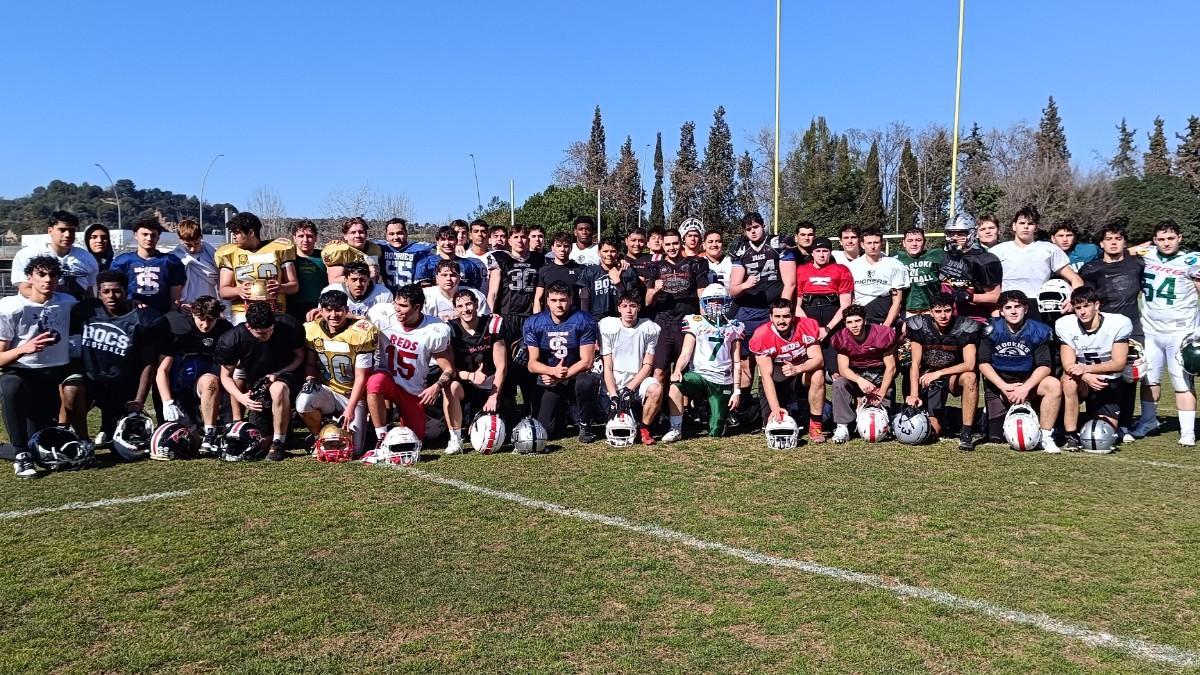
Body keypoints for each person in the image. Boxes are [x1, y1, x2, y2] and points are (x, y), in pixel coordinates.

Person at [61, 270, 165, 447]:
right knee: (71, 391)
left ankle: (108, 427)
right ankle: (79, 437)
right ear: (99, 292)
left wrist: (139, 400)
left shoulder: (141, 318)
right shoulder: (86, 311)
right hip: (90, 381)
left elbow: (148, 363)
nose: (112, 296)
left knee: (120, 439)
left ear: (125, 291)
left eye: (117, 291)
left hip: (121, 385)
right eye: (106, 291)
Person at [0, 256, 77, 478]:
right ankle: (21, 455)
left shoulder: (67, 302)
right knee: (9, 385)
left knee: (41, 446)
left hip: (53, 375)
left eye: (53, 275)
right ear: (29, 277)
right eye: (41, 274)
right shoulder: (11, 308)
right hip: (22, 373)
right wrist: (24, 349)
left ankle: (82, 439)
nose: (48, 280)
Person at [1129, 219, 1200, 444]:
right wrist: (1144, 246)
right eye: (1161, 239)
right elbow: (1122, 252)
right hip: (1150, 329)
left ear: (1180, 238)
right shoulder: (1147, 253)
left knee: (1182, 381)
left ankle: (1187, 431)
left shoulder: (1191, 260)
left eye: (1171, 238)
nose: (1166, 243)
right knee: (1149, 379)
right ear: (1154, 240)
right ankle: (1148, 420)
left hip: (1182, 331)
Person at [216, 301, 306, 461]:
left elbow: (300, 357)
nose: (267, 335)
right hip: (259, 387)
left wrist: (279, 373)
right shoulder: (233, 338)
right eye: (261, 333)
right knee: (258, 442)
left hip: (289, 377)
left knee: (277, 388)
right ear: (249, 327)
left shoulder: (288, 325)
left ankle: (279, 441)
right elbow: (226, 376)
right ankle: (281, 433)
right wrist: (241, 397)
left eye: (270, 330)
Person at [367, 285, 455, 446]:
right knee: (374, 382)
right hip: (388, 380)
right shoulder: (382, 315)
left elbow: (449, 369)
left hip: (412, 390)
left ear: (417, 307)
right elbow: (359, 322)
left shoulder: (434, 329)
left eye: (403, 306)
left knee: (416, 440)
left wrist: (436, 386)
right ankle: (381, 436)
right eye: (396, 303)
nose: (397, 309)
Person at [1078, 223, 1145, 435]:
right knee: (1102, 372)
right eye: (1109, 239)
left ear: (1125, 242)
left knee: (1129, 375)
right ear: (1101, 243)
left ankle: (1125, 422)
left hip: (1132, 328)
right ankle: (1096, 417)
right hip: (1103, 328)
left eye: (1118, 238)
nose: (1113, 242)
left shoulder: (1137, 264)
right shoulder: (1091, 268)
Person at [978, 290, 1060, 452]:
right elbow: (983, 363)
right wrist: (1003, 387)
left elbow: (1044, 366)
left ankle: (1045, 435)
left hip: (1028, 383)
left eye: (1018, 306)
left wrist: (1025, 388)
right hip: (999, 385)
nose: (1013, 311)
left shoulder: (1038, 331)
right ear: (1001, 311)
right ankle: (989, 413)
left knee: (1053, 385)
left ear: (1026, 309)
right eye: (1008, 307)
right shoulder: (991, 329)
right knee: (996, 437)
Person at [298, 289, 376, 456]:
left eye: (339, 309)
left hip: (353, 394)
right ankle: (319, 435)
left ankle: (361, 425)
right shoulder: (312, 330)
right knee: (303, 401)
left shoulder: (361, 333)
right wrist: (310, 379)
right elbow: (310, 364)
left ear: (347, 310)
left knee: (353, 451)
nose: (334, 314)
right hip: (329, 390)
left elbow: (362, 377)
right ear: (321, 311)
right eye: (328, 310)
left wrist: (350, 408)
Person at [730, 211, 797, 400]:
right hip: (749, 310)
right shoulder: (741, 249)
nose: (753, 232)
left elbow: (789, 283)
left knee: (778, 358)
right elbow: (733, 290)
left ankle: (781, 400)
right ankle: (744, 404)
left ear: (763, 226)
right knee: (744, 360)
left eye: (756, 227)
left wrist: (782, 311)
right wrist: (745, 285)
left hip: (772, 309)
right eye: (748, 229)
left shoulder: (778, 244)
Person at [665, 284, 744, 441]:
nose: (715, 304)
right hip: (700, 375)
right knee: (675, 386)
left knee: (716, 432)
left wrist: (737, 391)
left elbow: (736, 362)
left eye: (719, 301)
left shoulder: (734, 326)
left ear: (726, 303)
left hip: (722, 380)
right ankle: (675, 428)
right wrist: (678, 370)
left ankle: (716, 413)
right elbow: (686, 353)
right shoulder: (696, 321)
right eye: (712, 301)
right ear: (704, 303)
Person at [1057, 286, 1131, 451]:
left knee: (1102, 434)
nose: (1082, 312)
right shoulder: (1066, 324)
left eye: (1086, 306)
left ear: (1096, 305)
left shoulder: (1118, 323)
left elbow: (1119, 363)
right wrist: (1085, 376)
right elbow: (1068, 364)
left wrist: (1087, 370)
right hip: (1082, 381)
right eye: (1077, 308)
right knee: (1068, 381)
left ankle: (1089, 420)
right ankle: (1071, 435)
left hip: (1108, 381)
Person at [523, 281, 599, 442]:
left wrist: (561, 376)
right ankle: (564, 413)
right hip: (549, 380)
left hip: (574, 376)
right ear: (547, 301)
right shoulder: (534, 322)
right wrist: (551, 372)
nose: (559, 305)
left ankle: (585, 424)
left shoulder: (583, 319)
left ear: (571, 300)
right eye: (554, 300)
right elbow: (532, 364)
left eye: (563, 300)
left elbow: (587, 361)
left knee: (587, 381)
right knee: (546, 431)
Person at [904, 293, 981, 450]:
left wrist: (939, 373)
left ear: (953, 310)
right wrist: (914, 394)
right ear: (930, 312)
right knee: (933, 431)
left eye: (947, 310)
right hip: (927, 378)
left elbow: (970, 364)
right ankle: (948, 416)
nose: (943, 315)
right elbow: (915, 364)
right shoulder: (919, 325)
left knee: (970, 377)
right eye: (938, 312)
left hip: (952, 376)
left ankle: (966, 432)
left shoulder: (965, 327)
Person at [156, 295, 232, 454]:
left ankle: (211, 432)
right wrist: (167, 402)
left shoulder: (225, 329)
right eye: (201, 319)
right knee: (189, 442)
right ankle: (202, 430)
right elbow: (162, 370)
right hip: (183, 390)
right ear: (193, 314)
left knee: (210, 380)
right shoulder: (179, 330)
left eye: (210, 320)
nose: (205, 325)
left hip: (212, 385)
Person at [749, 298, 825, 442]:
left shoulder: (806, 325)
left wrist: (797, 368)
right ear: (771, 317)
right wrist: (775, 408)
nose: (781, 321)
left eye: (786, 316)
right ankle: (789, 404)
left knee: (818, 374)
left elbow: (818, 360)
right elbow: (766, 376)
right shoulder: (762, 336)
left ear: (793, 316)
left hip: (800, 373)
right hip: (776, 378)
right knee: (773, 425)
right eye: (777, 316)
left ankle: (816, 425)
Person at [646, 230, 708, 391]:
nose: (672, 247)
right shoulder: (655, 267)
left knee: (685, 372)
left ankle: (683, 413)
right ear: (662, 246)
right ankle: (659, 409)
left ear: (681, 243)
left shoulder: (695, 264)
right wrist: (654, 290)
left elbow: (702, 293)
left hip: (687, 325)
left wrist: (705, 321)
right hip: (664, 324)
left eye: (675, 243)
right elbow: (647, 302)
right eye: (668, 244)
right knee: (659, 371)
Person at [599, 291, 662, 445]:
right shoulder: (607, 325)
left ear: (639, 308)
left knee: (656, 389)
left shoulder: (650, 328)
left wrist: (630, 388)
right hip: (613, 380)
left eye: (633, 306)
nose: (629, 310)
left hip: (637, 380)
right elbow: (607, 366)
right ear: (618, 308)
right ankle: (586, 425)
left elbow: (647, 365)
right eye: (625, 306)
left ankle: (644, 428)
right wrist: (614, 395)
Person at [829, 305, 897, 444]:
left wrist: (882, 391)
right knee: (839, 383)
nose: (854, 325)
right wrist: (860, 380)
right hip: (856, 378)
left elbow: (891, 367)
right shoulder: (841, 338)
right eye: (849, 322)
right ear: (845, 323)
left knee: (884, 420)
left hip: (879, 379)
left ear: (865, 321)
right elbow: (843, 369)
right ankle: (842, 426)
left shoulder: (882, 334)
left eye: (857, 321)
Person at [215, 212, 299, 323]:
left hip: (275, 311)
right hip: (243, 313)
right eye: (233, 233)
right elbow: (224, 291)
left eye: (237, 233)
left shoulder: (279, 249)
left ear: (251, 232)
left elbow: (294, 286)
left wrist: (281, 287)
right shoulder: (229, 253)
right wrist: (238, 290)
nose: (233, 236)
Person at [990, 206, 1083, 303]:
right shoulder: (997, 251)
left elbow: (1075, 279)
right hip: (1008, 306)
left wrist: (1073, 300)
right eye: (1022, 223)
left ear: (1036, 227)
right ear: (1014, 226)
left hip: (1039, 305)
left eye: (1030, 224)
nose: (1026, 227)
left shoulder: (1049, 249)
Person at [447, 289, 507, 430]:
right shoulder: (450, 329)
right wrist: (470, 375)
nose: (465, 309)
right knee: (452, 387)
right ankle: (455, 436)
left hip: (493, 383)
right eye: (460, 306)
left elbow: (501, 366)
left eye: (469, 304)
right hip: (467, 384)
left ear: (476, 304)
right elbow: (448, 369)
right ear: (455, 308)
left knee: (502, 426)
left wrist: (493, 395)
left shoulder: (493, 324)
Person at [794, 237, 854, 376]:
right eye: (818, 251)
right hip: (808, 317)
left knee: (837, 369)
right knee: (809, 368)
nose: (821, 254)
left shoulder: (841, 270)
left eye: (825, 251)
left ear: (830, 252)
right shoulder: (801, 270)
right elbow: (796, 306)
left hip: (833, 319)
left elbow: (845, 305)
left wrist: (827, 328)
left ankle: (840, 396)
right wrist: (812, 327)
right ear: (812, 253)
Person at [11, 211, 99, 301]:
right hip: (42, 311)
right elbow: (25, 288)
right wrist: (57, 303)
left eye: (71, 230)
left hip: (76, 311)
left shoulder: (87, 258)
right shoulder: (29, 254)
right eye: (62, 230)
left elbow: (90, 291)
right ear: (50, 230)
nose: (67, 235)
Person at [110, 218, 185, 314]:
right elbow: (115, 291)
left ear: (158, 237)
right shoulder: (121, 262)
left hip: (161, 315)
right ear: (136, 235)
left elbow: (175, 298)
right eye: (145, 234)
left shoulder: (171, 262)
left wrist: (170, 316)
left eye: (153, 235)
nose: (149, 238)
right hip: (130, 315)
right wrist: (128, 301)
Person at [938, 213, 1003, 322]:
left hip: (974, 318)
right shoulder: (942, 256)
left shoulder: (985, 260)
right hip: (947, 319)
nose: (954, 238)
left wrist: (970, 297)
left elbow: (995, 296)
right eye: (951, 233)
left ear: (972, 234)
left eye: (960, 234)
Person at [848, 228, 909, 327]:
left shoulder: (895, 265)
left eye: (876, 242)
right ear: (862, 245)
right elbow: (849, 298)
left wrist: (886, 325)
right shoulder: (852, 267)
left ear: (882, 243)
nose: (872, 246)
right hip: (861, 317)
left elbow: (897, 300)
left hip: (885, 317)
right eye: (869, 243)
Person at [487, 224, 544, 320]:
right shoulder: (500, 258)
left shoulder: (538, 259)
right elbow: (493, 292)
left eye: (523, 237)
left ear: (528, 240)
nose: (519, 241)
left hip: (529, 314)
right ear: (509, 241)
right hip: (505, 314)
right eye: (516, 237)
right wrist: (489, 314)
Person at [579, 237, 641, 321]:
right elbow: (584, 298)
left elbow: (631, 300)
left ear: (618, 253)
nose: (609, 254)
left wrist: (618, 283)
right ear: (599, 253)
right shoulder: (589, 271)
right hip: (595, 319)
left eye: (613, 251)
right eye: (605, 251)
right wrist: (585, 319)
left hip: (619, 320)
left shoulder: (627, 272)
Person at [413, 226, 487, 292]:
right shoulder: (425, 264)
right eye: (443, 239)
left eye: (451, 239)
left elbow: (474, 292)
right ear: (437, 241)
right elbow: (424, 293)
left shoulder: (469, 265)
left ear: (456, 241)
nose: (447, 243)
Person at [173, 219, 220, 314]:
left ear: (201, 237)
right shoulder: (175, 258)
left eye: (197, 243)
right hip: (186, 307)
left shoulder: (213, 255)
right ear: (180, 240)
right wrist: (179, 304)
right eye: (188, 245)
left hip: (209, 306)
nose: (193, 248)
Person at [892, 227, 944, 315]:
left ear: (924, 242)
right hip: (906, 310)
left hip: (933, 310)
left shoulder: (936, 255)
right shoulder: (895, 258)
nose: (914, 244)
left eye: (918, 240)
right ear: (904, 243)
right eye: (910, 240)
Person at [317, 260, 393, 319]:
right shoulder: (331, 291)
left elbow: (388, 320)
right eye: (354, 279)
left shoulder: (384, 293)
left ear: (369, 280)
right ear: (346, 280)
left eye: (363, 280)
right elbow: (325, 316)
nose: (358, 284)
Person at [288, 219, 327, 324]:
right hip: (293, 307)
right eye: (301, 236)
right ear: (294, 238)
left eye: (309, 236)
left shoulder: (325, 256)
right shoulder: (287, 258)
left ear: (316, 238)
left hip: (320, 306)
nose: (305, 240)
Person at [378, 217, 433, 292]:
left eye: (399, 233)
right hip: (388, 297)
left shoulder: (420, 250)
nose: (396, 237)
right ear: (386, 236)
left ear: (406, 234)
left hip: (413, 297)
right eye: (391, 234)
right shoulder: (380, 248)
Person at [323, 216, 383, 284]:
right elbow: (334, 280)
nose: (358, 235)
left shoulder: (375, 249)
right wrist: (366, 274)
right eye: (353, 232)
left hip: (371, 291)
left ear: (366, 234)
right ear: (345, 236)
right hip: (345, 292)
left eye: (361, 232)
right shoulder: (338, 251)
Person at [534, 232, 584, 312]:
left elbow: (585, 298)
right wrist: (536, 320)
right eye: (558, 246)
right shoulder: (544, 270)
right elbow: (538, 299)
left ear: (571, 248)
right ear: (552, 248)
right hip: (549, 320)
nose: (562, 249)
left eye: (566, 246)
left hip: (573, 319)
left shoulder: (579, 270)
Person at [424, 259, 488, 321]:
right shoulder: (426, 296)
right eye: (444, 275)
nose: (448, 278)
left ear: (459, 278)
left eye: (452, 275)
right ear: (437, 278)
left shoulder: (476, 295)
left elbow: (485, 321)